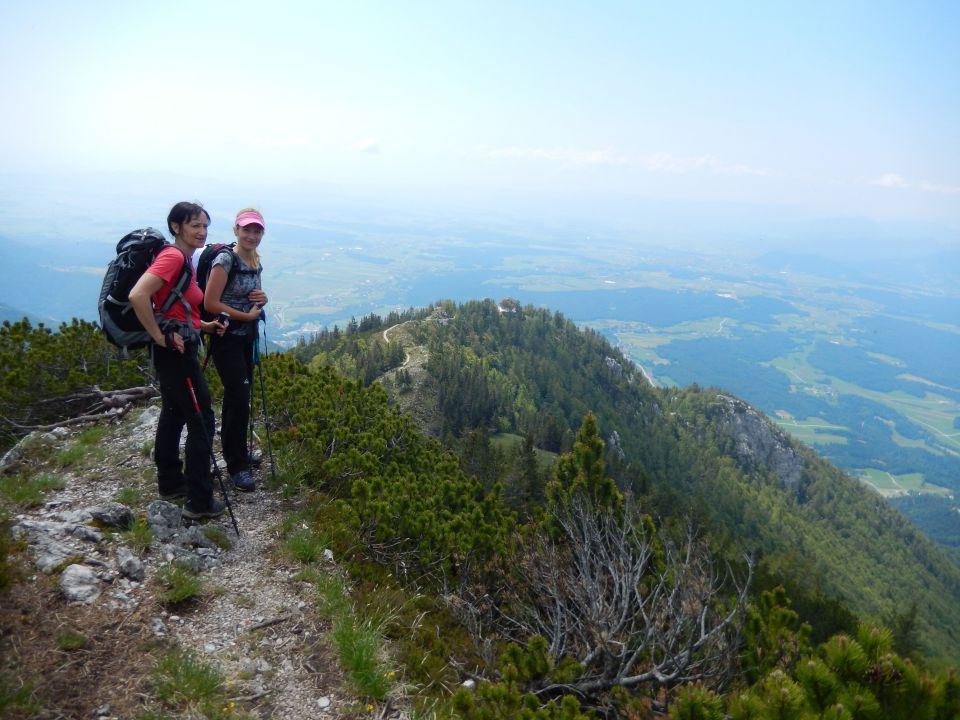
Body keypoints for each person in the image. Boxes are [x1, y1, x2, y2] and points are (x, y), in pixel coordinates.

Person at [129, 201, 227, 519]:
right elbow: (138, 295)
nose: (202, 231)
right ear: (176, 227)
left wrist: (204, 325)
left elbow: (176, 307)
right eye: (195, 225)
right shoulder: (173, 257)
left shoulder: (182, 259)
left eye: (205, 225)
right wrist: (158, 336)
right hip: (175, 351)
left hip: (175, 347)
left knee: (174, 413)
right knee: (201, 419)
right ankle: (199, 502)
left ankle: (170, 482)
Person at [202, 207, 269, 492]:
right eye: (247, 229)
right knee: (238, 398)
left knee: (239, 399)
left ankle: (237, 454)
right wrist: (247, 317)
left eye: (257, 230)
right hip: (226, 337)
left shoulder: (253, 259)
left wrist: (262, 299)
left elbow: (251, 298)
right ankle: (237, 466)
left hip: (245, 338)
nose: (252, 235)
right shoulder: (224, 260)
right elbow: (210, 304)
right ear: (236, 230)